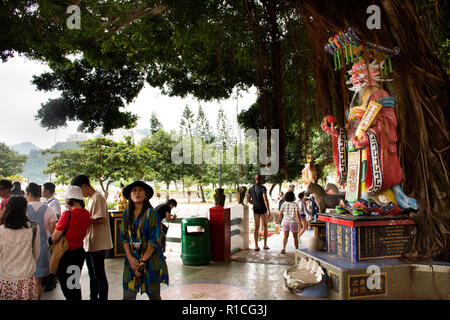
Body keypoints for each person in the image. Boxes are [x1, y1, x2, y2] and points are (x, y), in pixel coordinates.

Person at [119, 181, 168, 300]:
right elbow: (124, 237)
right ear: (130, 195)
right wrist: (130, 258)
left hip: (150, 260)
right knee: (128, 295)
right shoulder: (126, 214)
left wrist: (142, 262)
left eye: (140, 190)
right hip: (132, 261)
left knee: (154, 295)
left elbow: (154, 240)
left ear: (145, 195)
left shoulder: (151, 213)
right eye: (134, 190)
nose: (137, 193)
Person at [71, 175, 113, 300]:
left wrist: (83, 218)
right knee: (93, 273)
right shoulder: (91, 198)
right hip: (91, 242)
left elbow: (101, 219)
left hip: (98, 242)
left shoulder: (98, 197)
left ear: (84, 186)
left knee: (99, 273)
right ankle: (93, 296)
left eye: (79, 191)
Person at [51, 186, 90, 300]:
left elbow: (54, 237)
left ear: (69, 200)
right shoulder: (86, 213)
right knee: (73, 283)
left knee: (67, 286)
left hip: (66, 254)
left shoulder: (67, 215)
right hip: (79, 253)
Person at [0, 196, 40, 300]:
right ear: (25, 210)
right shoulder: (33, 228)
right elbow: (36, 253)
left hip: (5, 279)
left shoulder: (1, 231)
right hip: (26, 279)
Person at [25, 182, 57, 298]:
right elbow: (53, 234)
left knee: (25, 283)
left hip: (24, 250)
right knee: (37, 284)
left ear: (28, 194)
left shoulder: (24, 209)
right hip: (42, 249)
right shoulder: (49, 210)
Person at [247, 174, 271, 251]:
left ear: (255, 179)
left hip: (256, 209)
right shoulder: (263, 188)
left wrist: (254, 203)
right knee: (265, 226)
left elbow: (248, 199)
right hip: (263, 208)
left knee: (256, 227)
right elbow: (265, 199)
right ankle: (265, 244)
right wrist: (268, 210)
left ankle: (256, 246)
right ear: (260, 179)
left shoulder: (251, 188)